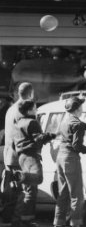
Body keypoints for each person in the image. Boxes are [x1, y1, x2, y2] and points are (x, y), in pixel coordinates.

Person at [53, 96, 86, 227]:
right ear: (78, 109)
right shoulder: (77, 124)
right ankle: (75, 223)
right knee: (77, 194)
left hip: (61, 157)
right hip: (71, 159)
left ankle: (58, 222)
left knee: (63, 193)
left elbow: (81, 126)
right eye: (81, 106)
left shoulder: (65, 121)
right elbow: (77, 146)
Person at [12, 99, 56, 227]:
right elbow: (39, 138)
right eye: (35, 107)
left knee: (29, 190)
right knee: (38, 178)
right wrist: (52, 135)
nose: (36, 109)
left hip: (22, 157)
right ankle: (20, 176)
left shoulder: (18, 122)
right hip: (31, 156)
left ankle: (24, 220)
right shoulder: (32, 122)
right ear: (29, 110)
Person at [3, 82, 34, 226]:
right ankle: (19, 221)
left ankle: (7, 220)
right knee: (26, 189)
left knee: (14, 190)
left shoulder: (10, 109)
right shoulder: (25, 109)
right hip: (21, 156)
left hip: (10, 155)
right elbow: (30, 132)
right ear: (31, 93)